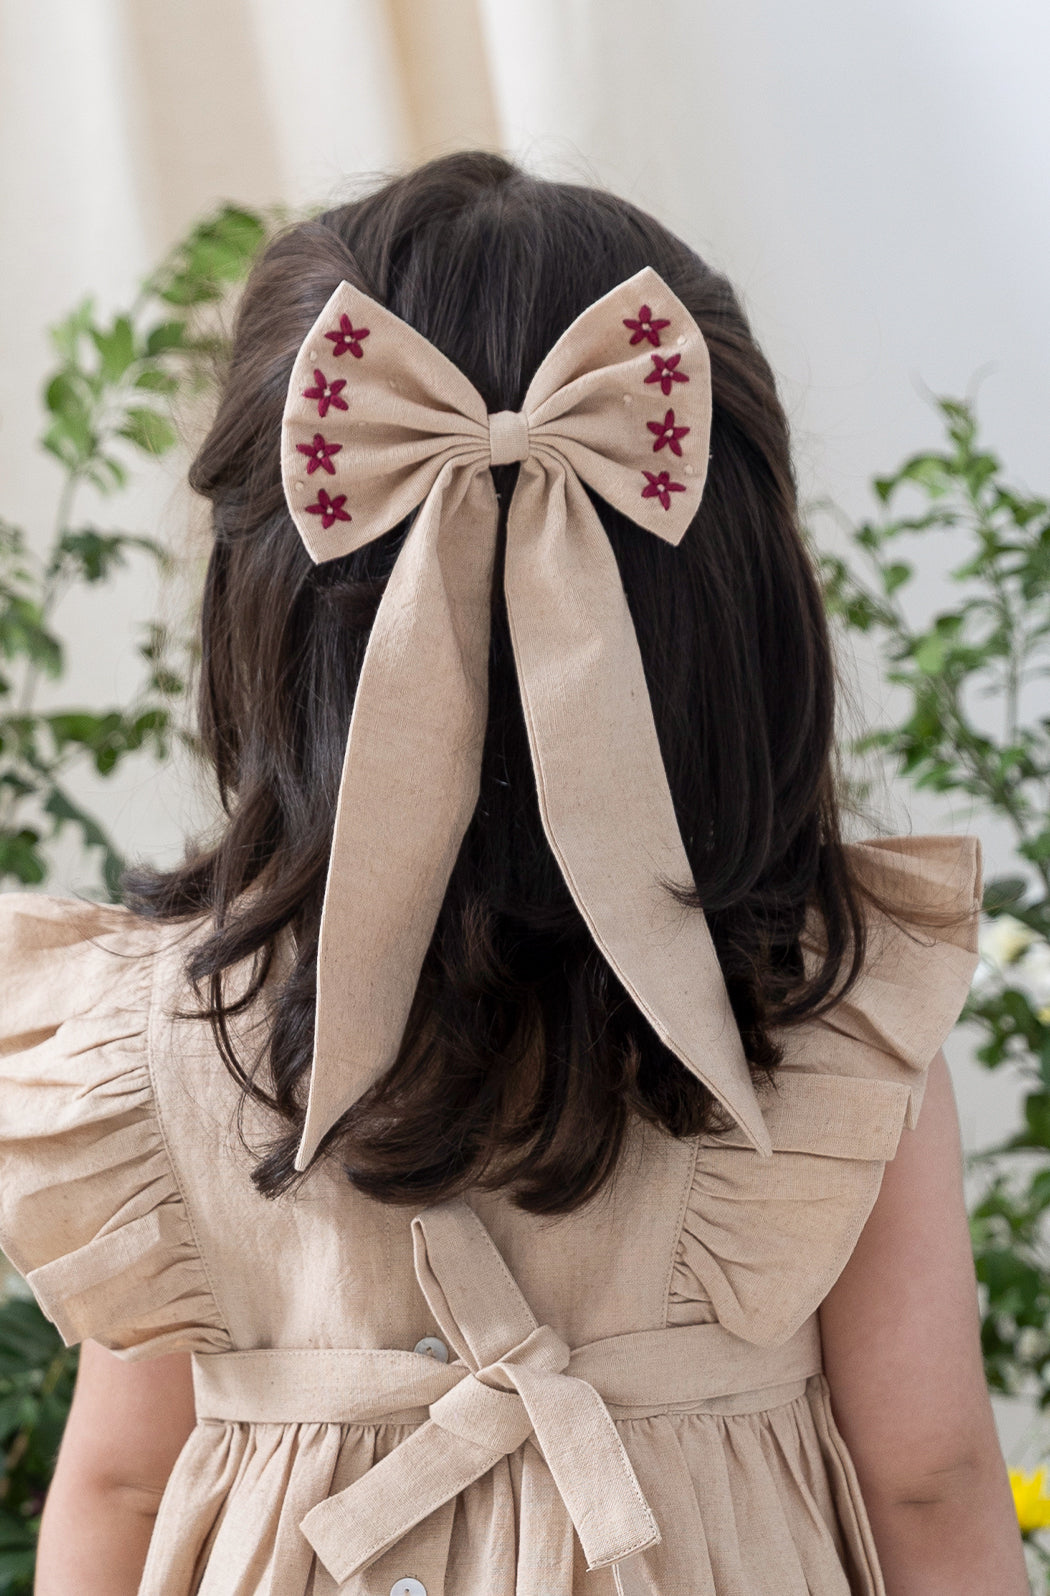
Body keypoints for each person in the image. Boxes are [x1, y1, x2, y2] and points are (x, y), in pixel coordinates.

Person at [0, 151, 1027, 1596]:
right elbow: (926, 1480)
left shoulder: (159, 1033)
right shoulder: (830, 1014)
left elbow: (116, 1488)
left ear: (268, 621)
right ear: (741, 619)